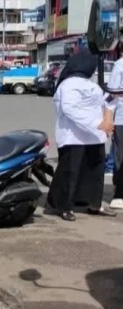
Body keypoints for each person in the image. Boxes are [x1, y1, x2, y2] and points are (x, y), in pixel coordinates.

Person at [47, 50, 118, 221]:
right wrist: (96, 123)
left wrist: (109, 111)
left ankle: (94, 204)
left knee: (95, 172)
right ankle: (64, 207)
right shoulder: (69, 84)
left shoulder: (90, 83)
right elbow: (70, 109)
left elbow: (105, 100)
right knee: (70, 172)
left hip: (94, 136)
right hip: (74, 137)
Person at [106, 50, 123, 209]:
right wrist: (108, 118)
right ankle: (119, 193)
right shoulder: (120, 65)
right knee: (120, 156)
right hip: (122, 120)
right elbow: (111, 95)